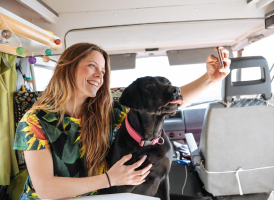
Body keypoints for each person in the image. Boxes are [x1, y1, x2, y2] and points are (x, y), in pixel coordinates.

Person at [13, 43, 231, 200]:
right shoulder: (35, 122)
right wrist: (108, 179)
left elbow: (161, 101)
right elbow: (46, 190)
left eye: (103, 69)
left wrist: (209, 78)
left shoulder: (105, 111)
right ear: (68, 67)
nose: (100, 74)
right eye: (92, 66)